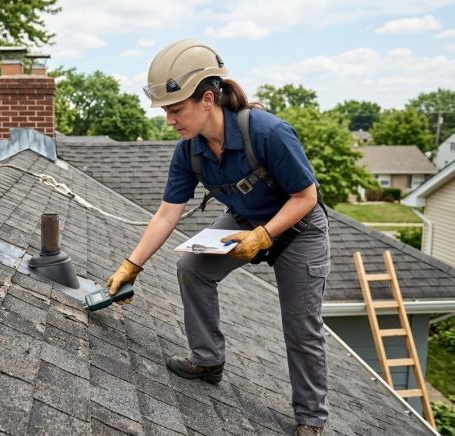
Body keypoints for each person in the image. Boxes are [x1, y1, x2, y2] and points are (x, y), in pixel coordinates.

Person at [105, 39, 330, 436]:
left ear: (207, 99)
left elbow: (306, 197)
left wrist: (264, 236)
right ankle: (207, 360)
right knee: (192, 266)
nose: (169, 120)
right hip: (245, 220)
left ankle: (311, 419)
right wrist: (131, 264)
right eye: (166, 111)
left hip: (298, 231)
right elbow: (166, 213)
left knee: (301, 327)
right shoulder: (188, 151)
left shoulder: (268, 133)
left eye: (175, 110)